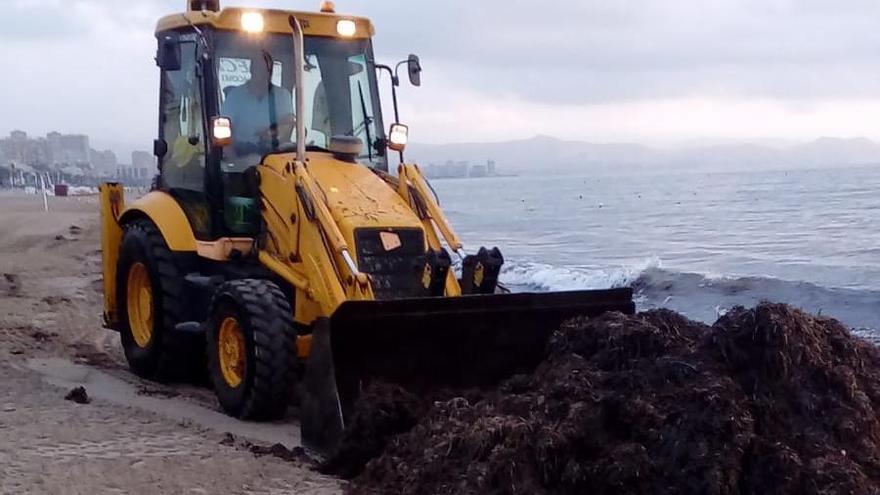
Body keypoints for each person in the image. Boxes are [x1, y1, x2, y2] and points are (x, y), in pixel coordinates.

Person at [220, 52, 295, 157]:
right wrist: (234, 160)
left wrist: (271, 133)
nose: (263, 73)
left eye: (266, 69)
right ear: (251, 69)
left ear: (271, 71)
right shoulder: (235, 96)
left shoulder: (282, 95)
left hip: (275, 155)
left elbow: (288, 123)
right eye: (259, 68)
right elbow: (224, 130)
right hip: (240, 154)